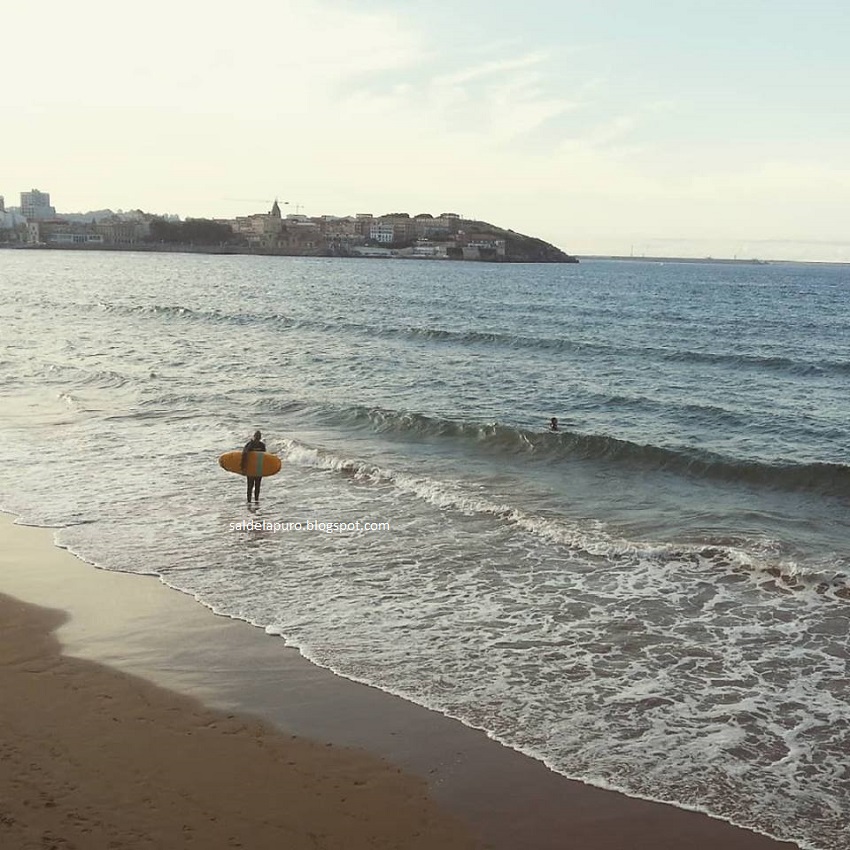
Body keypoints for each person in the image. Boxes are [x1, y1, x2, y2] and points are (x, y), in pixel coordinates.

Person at [241, 430, 266, 503]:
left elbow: (265, 457)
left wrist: (264, 469)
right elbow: (244, 455)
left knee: (257, 486)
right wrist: (243, 468)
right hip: (251, 468)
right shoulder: (249, 445)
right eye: (257, 437)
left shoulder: (262, 445)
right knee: (250, 487)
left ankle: (256, 501)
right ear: (254, 437)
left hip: (258, 468)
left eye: (259, 437)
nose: (257, 439)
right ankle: (249, 502)